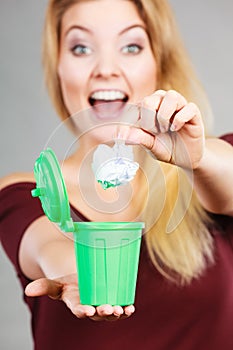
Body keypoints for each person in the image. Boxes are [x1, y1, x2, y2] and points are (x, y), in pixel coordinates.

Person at [1, 0, 233, 349]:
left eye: (130, 46)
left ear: (159, 61)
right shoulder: (25, 191)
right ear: (59, 68)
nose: (106, 68)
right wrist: (78, 270)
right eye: (81, 47)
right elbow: (45, 243)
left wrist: (197, 158)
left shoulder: (210, 169)